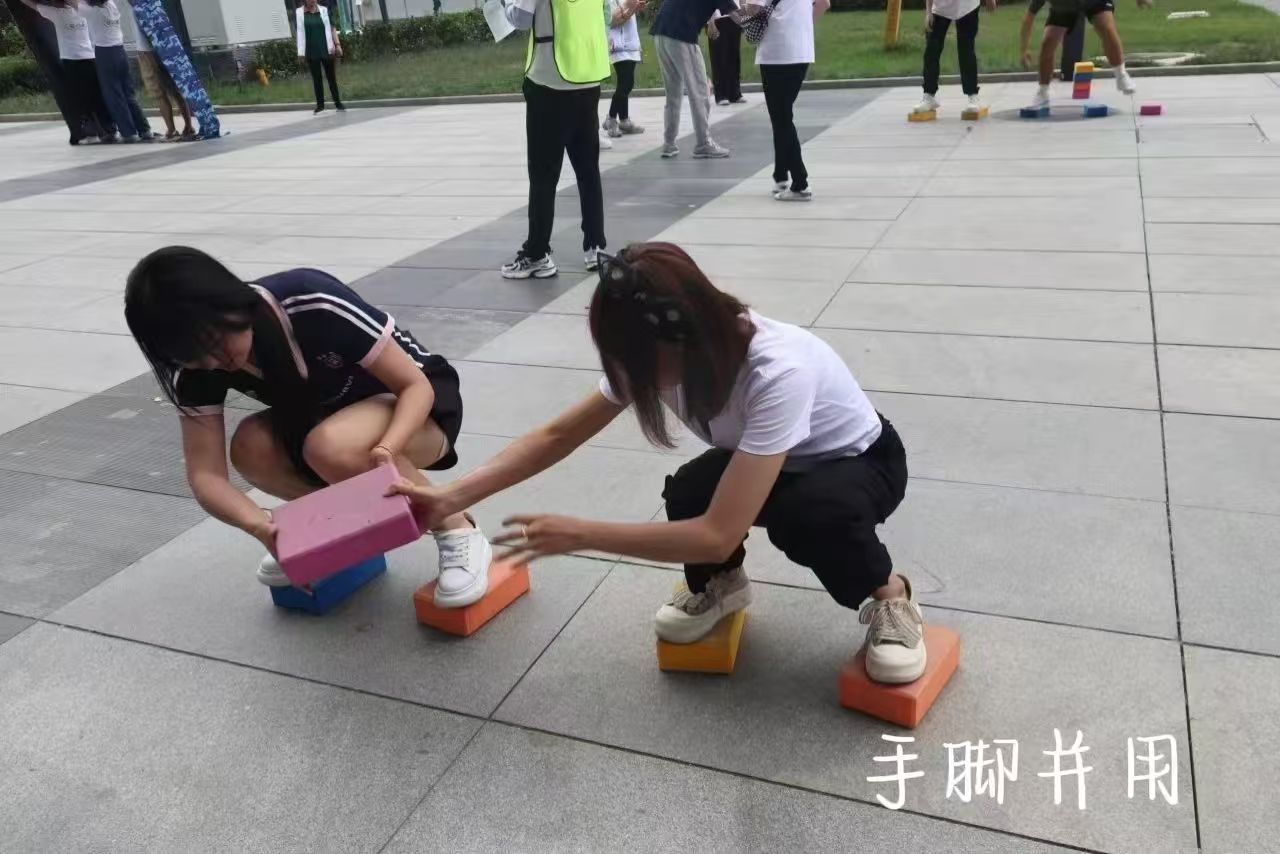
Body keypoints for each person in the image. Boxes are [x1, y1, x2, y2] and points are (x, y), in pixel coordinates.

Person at [389, 243, 925, 684]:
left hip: (860, 462)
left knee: (808, 515)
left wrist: (583, 534)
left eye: (636, 362)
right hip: (778, 460)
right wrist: (454, 496)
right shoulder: (655, 350)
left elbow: (716, 533)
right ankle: (723, 585)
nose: (627, 375)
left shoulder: (779, 372)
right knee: (688, 491)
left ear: (688, 339)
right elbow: (558, 435)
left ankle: (891, 596)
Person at [123, 247, 492, 607]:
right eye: (194, 357)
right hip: (332, 425)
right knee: (251, 447)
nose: (215, 362)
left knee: (331, 446)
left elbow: (415, 387)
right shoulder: (197, 369)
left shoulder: (310, 301)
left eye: (217, 343)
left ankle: (457, 527)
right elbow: (205, 475)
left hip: (418, 412)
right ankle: (342, 534)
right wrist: (262, 526)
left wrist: (388, 448)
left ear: (230, 302)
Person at [498, 0, 611, 280]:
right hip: (588, 76)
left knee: (543, 175)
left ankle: (537, 254)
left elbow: (521, 18)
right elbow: (606, 14)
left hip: (549, 82)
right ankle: (595, 248)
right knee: (588, 171)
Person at [753, 0, 830, 202]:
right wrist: (800, 26)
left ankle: (800, 184)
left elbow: (754, 9)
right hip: (802, 49)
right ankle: (780, 175)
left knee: (781, 118)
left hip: (776, 52)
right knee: (782, 115)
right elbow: (823, 4)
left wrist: (731, 10)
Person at [20, 0, 116, 145]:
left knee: (82, 97)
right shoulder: (80, 10)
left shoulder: (57, 14)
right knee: (96, 96)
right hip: (87, 58)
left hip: (73, 60)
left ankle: (94, 132)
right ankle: (108, 129)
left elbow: (33, 5)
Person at [650, 0, 736, 159]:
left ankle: (669, 143)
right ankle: (703, 143)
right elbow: (735, 14)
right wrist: (757, 25)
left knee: (673, 92)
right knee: (700, 90)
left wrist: (711, 22)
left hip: (661, 30)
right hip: (682, 33)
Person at [1028, 0, 1151, 109]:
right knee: (1048, 42)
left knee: (1106, 28)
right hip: (1065, 6)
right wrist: (1024, 50)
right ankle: (1043, 90)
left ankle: (1121, 75)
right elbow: (1029, 16)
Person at [119, 0, 197, 141]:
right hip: (166, 47)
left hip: (147, 51)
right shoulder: (154, 4)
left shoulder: (138, 7)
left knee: (158, 93)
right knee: (175, 89)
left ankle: (171, 130)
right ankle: (188, 126)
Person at [82, 0, 153, 142]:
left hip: (105, 53)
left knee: (114, 95)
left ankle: (129, 132)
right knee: (128, 93)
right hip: (120, 51)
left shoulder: (92, 12)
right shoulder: (111, 6)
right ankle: (144, 129)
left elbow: (72, 3)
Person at [911, 0, 996, 118]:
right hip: (940, 7)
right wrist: (928, 12)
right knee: (931, 50)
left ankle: (973, 96)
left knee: (966, 49)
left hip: (967, 6)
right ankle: (929, 96)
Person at [602, 0, 647, 139]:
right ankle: (611, 119)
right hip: (618, 45)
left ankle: (624, 120)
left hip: (631, 43)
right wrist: (629, 6)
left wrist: (636, 7)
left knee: (626, 83)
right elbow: (611, 21)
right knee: (626, 83)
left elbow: (629, 14)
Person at [296, 0, 345, 114]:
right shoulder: (299, 12)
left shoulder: (324, 10)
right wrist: (300, 53)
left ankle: (338, 103)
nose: (312, 1)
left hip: (327, 49)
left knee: (331, 78)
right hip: (311, 50)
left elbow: (332, 28)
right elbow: (300, 32)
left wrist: (337, 45)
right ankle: (320, 105)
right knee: (316, 79)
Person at [1020, 0, 1085, 82]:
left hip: (1079, 10)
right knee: (1047, 46)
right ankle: (1044, 86)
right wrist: (1024, 51)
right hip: (1059, 13)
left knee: (1102, 24)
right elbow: (1029, 18)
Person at [706, 10, 744, 107]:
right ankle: (721, 95)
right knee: (719, 57)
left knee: (734, 57)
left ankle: (735, 93)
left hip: (733, 16)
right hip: (717, 18)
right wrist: (710, 22)